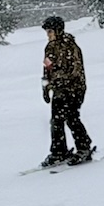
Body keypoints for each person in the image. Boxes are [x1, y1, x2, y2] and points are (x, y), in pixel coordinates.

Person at [40, 15, 92, 167]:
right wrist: (46, 86)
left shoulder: (70, 46)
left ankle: (84, 148)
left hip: (74, 88)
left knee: (71, 117)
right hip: (59, 90)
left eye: (50, 31)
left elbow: (74, 71)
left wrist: (58, 80)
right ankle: (58, 151)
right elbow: (47, 68)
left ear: (58, 30)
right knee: (56, 120)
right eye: (47, 32)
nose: (48, 35)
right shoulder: (49, 47)